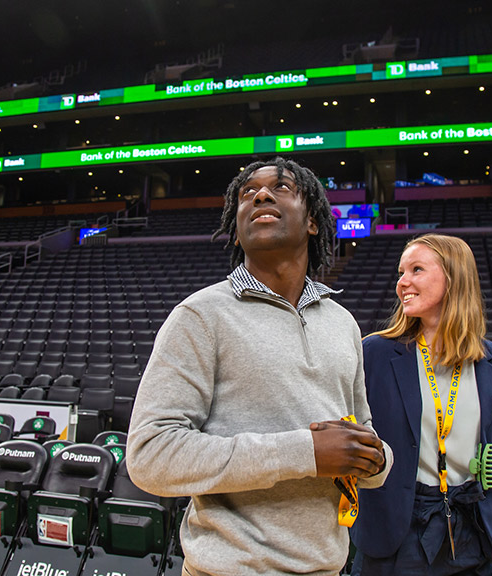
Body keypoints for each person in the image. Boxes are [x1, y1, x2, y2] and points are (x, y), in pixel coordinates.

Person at [127, 157, 393, 576]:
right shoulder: (200, 315)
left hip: (328, 568)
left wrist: (376, 461)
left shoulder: (342, 323)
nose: (261, 195)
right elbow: (150, 456)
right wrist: (305, 453)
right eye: (247, 193)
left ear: (313, 222)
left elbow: (361, 431)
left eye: (281, 188)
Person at [352, 234, 492, 576]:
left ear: (453, 278)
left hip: (472, 537)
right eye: (401, 272)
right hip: (394, 542)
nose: (403, 283)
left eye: (416, 270)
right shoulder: (375, 354)